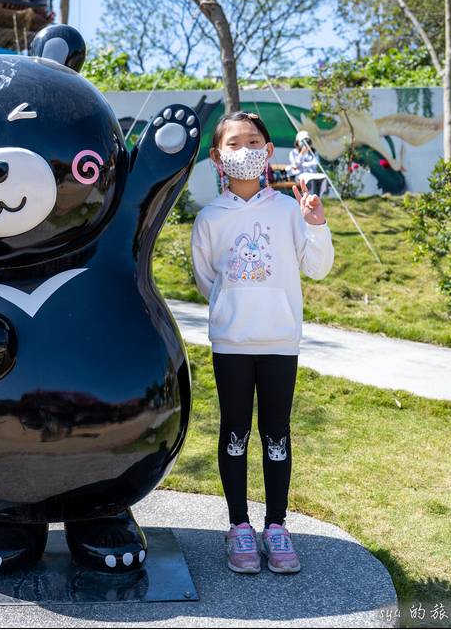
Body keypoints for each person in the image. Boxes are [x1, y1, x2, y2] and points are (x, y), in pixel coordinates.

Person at [190, 111, 335, 575]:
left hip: (280, 341)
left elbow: (318, 268)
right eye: (233, 143)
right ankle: (239, 527)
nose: (245, 150)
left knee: (277, 434)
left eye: (254, 141)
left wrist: (316, 224)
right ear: (217, 157)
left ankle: (276, 525)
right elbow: (206, 279)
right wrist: (236, 305)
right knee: (235, 432)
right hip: (231, 343)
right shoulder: (210, 218)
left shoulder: (291, 211)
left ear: (269, 152)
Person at [288, 130, 328, 197]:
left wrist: (304, 164)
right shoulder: (293, 153)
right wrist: (301, 154)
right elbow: (295, 165)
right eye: (303, 141)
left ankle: (317, 197)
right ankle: (311, 197)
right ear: (298, 142)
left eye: (307, 141)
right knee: (311, 181)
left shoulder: (313, 152)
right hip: (299, 175)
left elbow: (315, 164)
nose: (306, 144)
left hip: (312, 174)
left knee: (321, 178)